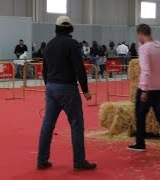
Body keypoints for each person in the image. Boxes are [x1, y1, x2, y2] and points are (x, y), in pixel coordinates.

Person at [38, 16, 97, 171]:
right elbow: (79, 68)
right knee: (76, 125)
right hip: (68, 89)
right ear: (70, 28)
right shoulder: (72, 44)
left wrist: (49, 86)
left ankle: (41, 160)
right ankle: (79, 161)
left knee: (47, 125)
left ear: (56, 27)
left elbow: (44, 70)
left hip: (51, 87)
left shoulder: (49, 45)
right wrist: (85, 90)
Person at [128, 24, 160, 154]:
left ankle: (140, 143)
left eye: (138, 35)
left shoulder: (144, 48)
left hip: (147, 88)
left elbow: (146, 70)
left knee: (140, 116)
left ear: (140, 34)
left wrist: (144, 90)